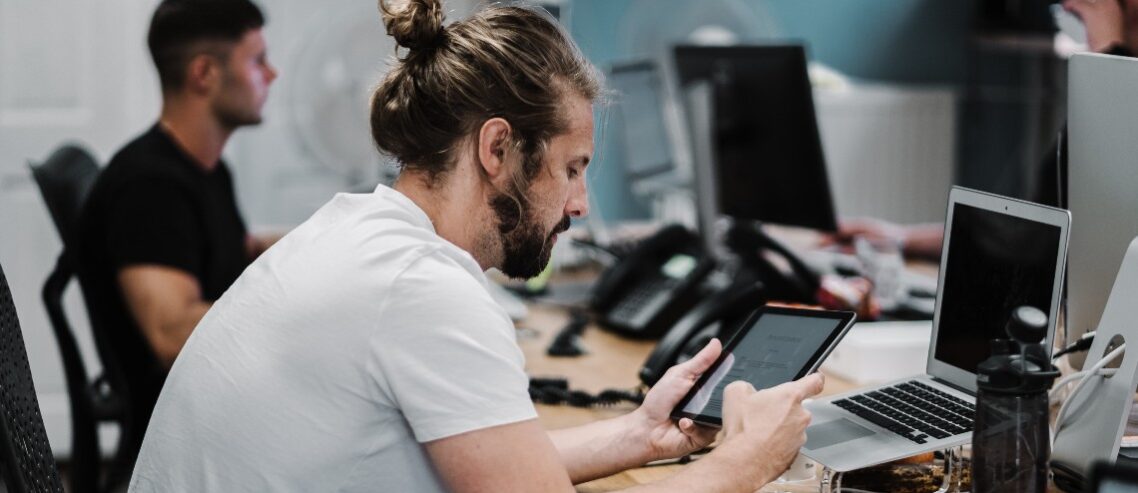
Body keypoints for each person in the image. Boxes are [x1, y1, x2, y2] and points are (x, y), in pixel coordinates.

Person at [127, 1, 823, 491]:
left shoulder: (363, 231)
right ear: (497, 148)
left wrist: (639, 435)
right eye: (572, 168)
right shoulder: (422, 288)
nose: (580, 203)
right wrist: (747, 462)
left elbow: (489, 461)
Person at [76, 0, 278, 452]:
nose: (273, 73)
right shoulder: (150, 188)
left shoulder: (204, 170)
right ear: (204, 73)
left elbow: (239, 250)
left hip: (219, 399)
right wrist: (298, 314)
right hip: (186, 431)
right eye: (257, 60)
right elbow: (171, 334)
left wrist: (330, 244)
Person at [830, 0, 1138, 259]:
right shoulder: (1112, 84)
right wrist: (901, 239)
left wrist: (1109, 51)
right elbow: (1036, 233)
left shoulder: (1115, 92)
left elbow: (1105, 227)